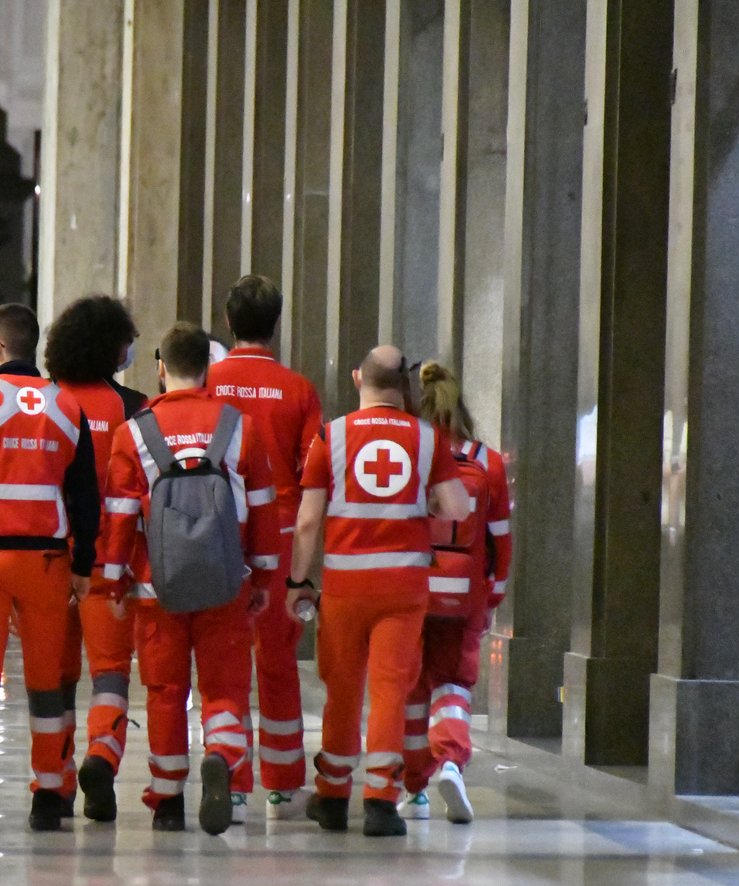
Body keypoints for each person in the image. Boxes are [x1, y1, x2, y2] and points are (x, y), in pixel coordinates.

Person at [99, 323, 280, 835]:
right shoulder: (239, 426)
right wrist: (264, 575)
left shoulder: (133, 432)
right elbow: (263, 510)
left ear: (160, 368)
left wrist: (114, 582)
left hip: (158, 588)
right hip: (227, 582)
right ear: (208, 368)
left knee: (164, 689)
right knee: (224, 686)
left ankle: (169, 797)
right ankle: (221, 753)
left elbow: (117, 517)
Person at [285, 345, 471, 837]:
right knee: (391, 689)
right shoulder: (426, 439)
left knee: (341, 689)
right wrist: (427, 499)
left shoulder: (332, 435)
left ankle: (331, 795)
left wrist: (297, 581)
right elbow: (458, 507)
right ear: (404, 388)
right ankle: (381, 802)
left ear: (356, 379)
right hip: (403, 589)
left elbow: (307, 522)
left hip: (345, 588)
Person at [0, 303, 99, 833]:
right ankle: (50, 796)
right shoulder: (68, 408)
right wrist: (83, 561)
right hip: (48, 561)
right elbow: (85, 495)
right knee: (47, 685)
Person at [206, 275, 324, 821]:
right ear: (277, 324)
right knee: (277, 662)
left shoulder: (209, 382)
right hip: (278, 535)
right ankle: (282, 782)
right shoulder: (298, 389)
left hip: (220, 532)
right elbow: (313, 474)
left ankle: (231, 777)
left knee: (225, 660)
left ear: (228, 323)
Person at [398, 362, 512, 824]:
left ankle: (416, 789)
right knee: (453, 685)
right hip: (465, 592)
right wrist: (493, 597)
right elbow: (500, 539)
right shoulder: (489, 462)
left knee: (411, 687)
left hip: (413, 587)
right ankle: (450, 760)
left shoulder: (413, 454)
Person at [44, 295, 142, 821]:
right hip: (110, 566)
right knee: (110, 674)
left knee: (56, 677)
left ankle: (56, 781)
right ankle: (102, 754)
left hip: (52, 564)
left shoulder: (44, 402)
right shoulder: (133, 408)